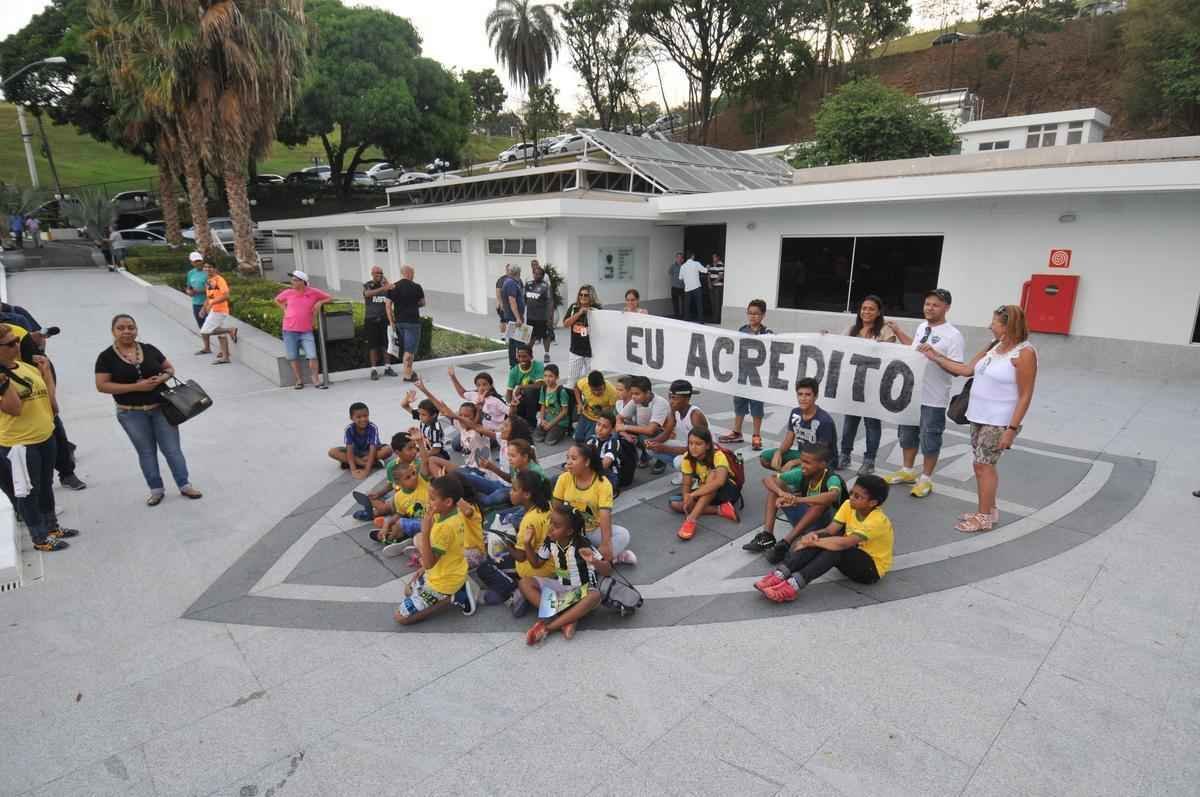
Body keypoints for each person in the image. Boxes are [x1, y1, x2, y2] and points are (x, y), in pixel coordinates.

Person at [921, 304, 1038, 532]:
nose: (989, 326)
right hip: (978, 415)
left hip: (999, 421)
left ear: (1008, 326)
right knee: (980, 465)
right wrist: (936, 357)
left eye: (994, 323)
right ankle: (989, 510)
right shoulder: (994, 345)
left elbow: (1026, 395)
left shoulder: (1024, 353)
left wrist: (1011, 429)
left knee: (984, 466)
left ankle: (983, 517)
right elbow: (967, 370)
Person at [94, 314, 202, 506]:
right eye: (121, 328)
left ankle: (185, 485)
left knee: (172, 450)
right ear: (113, 331)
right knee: (146, 452)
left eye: (131, 327)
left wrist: (162, 378)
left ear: (136, 329)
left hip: (161, 409)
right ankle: (156, 490)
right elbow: (102, 385)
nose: (127, 331)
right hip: (130, 413)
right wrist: (136, 387)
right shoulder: (106, 357)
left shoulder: (149, 349)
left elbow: (169, 369)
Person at [756, 475, 893, 602]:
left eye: (857, 496)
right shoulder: (848, 505)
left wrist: (813, 543)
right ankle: (780, 574)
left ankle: (792, 586)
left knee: (835, 549)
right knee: (820, 537)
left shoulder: (877, 521)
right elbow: (830, 530)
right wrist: (811, 536)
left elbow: (844, 544)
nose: (851, 497)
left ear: (872, 502)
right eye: (852, 492)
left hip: (870, 570)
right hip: (851, 554)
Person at [883, 288, 965, 498]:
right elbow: (914, 348)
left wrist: (936, 356)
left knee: (930, 437)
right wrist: (898, 331)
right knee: (906, 434)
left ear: (946, 308)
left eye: (936, 305)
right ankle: (908, 470)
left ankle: (926, 478)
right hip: (911, 394)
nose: (930, 308)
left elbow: (957, 369)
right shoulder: (922, 327)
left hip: (934, 397)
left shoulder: (953, 335)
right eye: (927, 303)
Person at [0, 324, 76, 551]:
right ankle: (39, 537)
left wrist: (46, 373)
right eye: (10, 343)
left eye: (16, 341)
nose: (17, 346)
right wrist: (4, 383)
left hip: (44, 436)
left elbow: (51, 404)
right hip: (20, 444)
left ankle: (52, 527)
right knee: (28, 492)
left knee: (45, 485)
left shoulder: (26, 368)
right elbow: (14, 409)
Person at [519, 502, 611, 645]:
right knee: (524, 582)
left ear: (569, 531)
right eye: (550, 522)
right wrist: (527, 544)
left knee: (595, 595)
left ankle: (549, 627)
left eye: (556, 526)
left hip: (581, 592)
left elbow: (607, 570)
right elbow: (536, 563)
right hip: (561, 587)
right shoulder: (551, 541)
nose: (550, 528)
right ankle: (566, 619)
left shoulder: (582, 544)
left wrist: (593, 560)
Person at [393, 475, 478, 625]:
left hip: (443, 582)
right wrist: (423, 569)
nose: (428, 502)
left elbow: (428, 564)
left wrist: (425, 532)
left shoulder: (444, 528)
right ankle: (456, 588)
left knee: (400, 618)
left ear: (448, 502)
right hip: (449, 571)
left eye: (432, 499)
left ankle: (454, 597)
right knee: (408, 590)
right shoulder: (454, 512)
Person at [743, 444, 845, 560]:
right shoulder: (802, 472)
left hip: (826, 526)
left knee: (820, 503)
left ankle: (785, 543)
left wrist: (798, 500)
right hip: (806, 520)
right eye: (802, 461)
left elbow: (833, 495)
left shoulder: (832, 478)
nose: (803, 465)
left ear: (822, 464)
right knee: (776, 488)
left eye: (807, 463)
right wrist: (782, 493)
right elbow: (768, 479)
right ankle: (767, 536)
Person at [838, 295, 897, 476]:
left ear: (878, 312)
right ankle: (844, 455)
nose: (866, 312)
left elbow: (892, 351)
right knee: (850, 423)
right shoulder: (851, 329)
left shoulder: (885, 331)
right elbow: (837, 346)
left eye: (871, 309)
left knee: (872, 424)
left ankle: (869, 461)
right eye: (864, 308)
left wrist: (882, 345)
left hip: (874, 387)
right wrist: (824, 337)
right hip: (854, 385)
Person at [552, 443, 637, 565]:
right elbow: (556, 508)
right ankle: (609, 559)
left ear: (587, 462)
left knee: (623, 534)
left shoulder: (603, 484)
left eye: (574, 459)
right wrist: (561, 532)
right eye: (567, 458)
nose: (568, 462)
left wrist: (606, 543)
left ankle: (594, 560)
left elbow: (605, 515)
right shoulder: (564, 478)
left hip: (592, 530)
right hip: (570, 530)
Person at [670, 428, 742, 540]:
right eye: (690, 443)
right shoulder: (687, 458)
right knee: (675, 503)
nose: (693, 447)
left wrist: (693, 495)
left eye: (698, 444)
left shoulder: (718, 455)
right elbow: (686, 484)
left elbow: (719, 482)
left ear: (707, 445)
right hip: (706, 492)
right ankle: (719, 509)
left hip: (727, 491)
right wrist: (686, 497)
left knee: (713, 475)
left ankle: (691, 520)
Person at [720, 300, 772, 450]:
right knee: (739, 403)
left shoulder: (768, 333)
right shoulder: (742, 330)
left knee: (757, 406)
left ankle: (756, 435)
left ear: (763, 315)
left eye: (756, 314)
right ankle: (737, 432)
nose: (752, 316)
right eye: (750, 313)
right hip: (742, 374)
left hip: (757, 377)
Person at [760, 378, 837, 473]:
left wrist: (793, 462)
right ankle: (790, 476)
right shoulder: (795, 413)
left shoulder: (824, 420)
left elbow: (821, 455)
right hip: (802, 455)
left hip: (821, 462)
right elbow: (788, 440)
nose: (803, 398)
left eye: (808, 395)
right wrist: (778, 452)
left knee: (788, 475)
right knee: (765, 458)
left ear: (816, 396)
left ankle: (796, 478)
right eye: (800, 394)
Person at [274, 270, 331, 389]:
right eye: (292, 280)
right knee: (293, 356)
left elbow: (329, 298)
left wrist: (319, 302)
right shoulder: (288, 292)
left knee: (312, 355)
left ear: (302, 282)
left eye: (295, 280)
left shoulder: (313, 292)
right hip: (289, 330)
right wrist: (284, 309)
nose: (292, 282)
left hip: (306, 331)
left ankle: (315, 379)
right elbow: (277, 300)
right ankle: (299, 380)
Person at [647, 379, 708, 480]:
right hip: (690, 445)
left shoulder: (695, 415)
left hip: (705, 453)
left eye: (675, 398)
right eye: (670, 397)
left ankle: (696, 475)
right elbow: (666, 433)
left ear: (687, 399)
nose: (671, 402)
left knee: (678, 461)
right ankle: (686, 471)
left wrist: (665, 449)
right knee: (651, 449)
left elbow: (700, 448)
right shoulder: (674, 410)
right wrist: (651, 442)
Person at [616, 375, 669, 467]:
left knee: (645, 438)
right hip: (643, 430)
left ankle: (662, 458)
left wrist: (624, 427)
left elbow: (651, 430)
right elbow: (619, 417)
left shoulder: (660, 403)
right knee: (616, 434)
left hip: (662, 433)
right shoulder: (636, 400)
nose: (633, 397)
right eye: (632, 393)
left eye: (637, 394)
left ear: (648, 393)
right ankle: (641, 453)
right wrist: (624, 433)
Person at [328, 401, 391, 479]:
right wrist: (353, 470)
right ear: (351, 418)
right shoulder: (349, 429)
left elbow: (373, 449)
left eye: (365, 416)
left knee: (388, 450)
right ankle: (371, 463)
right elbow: (349, 450)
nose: (363, 419)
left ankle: (355, 463)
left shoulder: (372, 427)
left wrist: (366, 470)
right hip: (356, 453)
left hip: (371, 452)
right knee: (332, 452)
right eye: (359, 417)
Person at [386, 265, 424, 381]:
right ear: (409, 273)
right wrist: (412, 304)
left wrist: (391, 322)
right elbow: (422, 303)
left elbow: (388, 305)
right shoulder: (416, 287)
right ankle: (407, 375)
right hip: (412, 322)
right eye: (413, 273)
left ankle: (409, 372)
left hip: (399, 323)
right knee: (409, 350)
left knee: (406, 349)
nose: (413, 275)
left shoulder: (393, 287)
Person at [199, 261, 239, 365]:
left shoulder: (219, 280)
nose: (207, 269)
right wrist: (203, 308)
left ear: (215, 269)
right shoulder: (209, 280)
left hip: (219, 310)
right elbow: (209, 297)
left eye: (210, 267)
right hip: (214, 310)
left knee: (205, 331)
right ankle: (226, 357)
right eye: (205, 267)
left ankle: (230, 330)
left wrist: (212, 303)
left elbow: (226, 296)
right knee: (221, 334)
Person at [362, 265, 398, 380]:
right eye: (377, 273)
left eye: (381, 273)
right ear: (372, 274)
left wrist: (387, 285)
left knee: (386, 344)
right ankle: (374, 370)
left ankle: (388, 367)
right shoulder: (368, 285)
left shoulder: (386, 286)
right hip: (371, 319)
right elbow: (367, 294)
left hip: (384, 319)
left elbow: (394, 292)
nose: (379, 275)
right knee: (373, 346)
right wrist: (383, 288)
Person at [561, 285, 599, 383]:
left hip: (592, 352)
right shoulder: (574, 307)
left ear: (591, 296)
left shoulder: (597, 309)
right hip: (576, 350)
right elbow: (566, 324)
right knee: (571, 381)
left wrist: (592, 313)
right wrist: (579, 313)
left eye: (586, 295)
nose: (583, 297)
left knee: (592, 381)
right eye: (580, 295)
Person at [573, 370, 618, 443]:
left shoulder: (612, 391)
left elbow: (611, 409)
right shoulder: (584, 383)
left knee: (589, 441)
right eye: (593, 390)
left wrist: (602, 413)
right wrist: (580, 403)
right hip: (585, 415)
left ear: (604, 384)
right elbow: (576, 387)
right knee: (578, 438)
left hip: (598, 420)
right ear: (589, 385)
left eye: (599, 389)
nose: (596, 392)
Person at [400, 392, 448, 460]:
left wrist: (420, 455)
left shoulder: (435, 429)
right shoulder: (424, 417)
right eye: (419, 413)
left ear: (434, 415)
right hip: (425, 447)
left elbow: (436, 450)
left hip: (437, 454)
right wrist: (407, 399)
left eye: (423, 415)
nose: (420, 417)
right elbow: (404, 405)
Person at [506, 344, 544, 428]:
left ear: (531, 357)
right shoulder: (514, 371)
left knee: (529, 391)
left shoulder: (538, 365)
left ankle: (531, 423)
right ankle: (522, 425)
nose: (521, 359)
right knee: (516, 402)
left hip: (540, 398)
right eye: (519, 356)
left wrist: (521, 387)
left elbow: (539, 385)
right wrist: (510, 405)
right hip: (524, 400)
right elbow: (509, 392)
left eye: (524, 356)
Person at [524, 260, 554, 363]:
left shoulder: (546, 286)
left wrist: (550, 318)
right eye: (535, 274)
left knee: (545, 336)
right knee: (530, 337)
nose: (537, 276)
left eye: (539, 274)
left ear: (542, 276)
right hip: (530, 317)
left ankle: (547, 354)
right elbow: (524, 299)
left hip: (542, 317)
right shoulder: (528, 284)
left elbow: (550, 302)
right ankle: (529, 354)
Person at [535, 364, 571, 444]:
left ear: (557, 377)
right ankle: (549, 430)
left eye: (551, 376)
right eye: (545, 376)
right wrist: (542, 420)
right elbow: (542, 406)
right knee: (537, 437)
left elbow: (564, 412)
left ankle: (563, 431)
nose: (547, 379)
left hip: (560, 422)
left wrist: (551, 424)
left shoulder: (561, 391)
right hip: (548, 419)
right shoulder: (544, 388)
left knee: (549, 441)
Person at [499, 264, 526, 367]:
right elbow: (512, 301)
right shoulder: (511, 283)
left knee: (513, 342)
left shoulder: (510, 282)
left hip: (512, 316)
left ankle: (514, 364)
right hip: (514, 317)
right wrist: (518, 318)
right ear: (517, 273)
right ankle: (519, 363)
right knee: (519, 342)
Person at [679, 252, 707, 322]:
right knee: (699, 304)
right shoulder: (696, 263)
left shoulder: (683, 266)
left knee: (687, 305)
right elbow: (705, 271)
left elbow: (680, 278)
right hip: (696, 287)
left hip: (687, 288)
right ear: (692, 256)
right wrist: (708, 267)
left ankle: (686, 320)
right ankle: (700, 320)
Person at [185, 253, 210, 331]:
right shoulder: (190, 273)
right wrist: (189, 292)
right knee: (202, 328)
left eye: (199, 260)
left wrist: (199, 291)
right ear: (191, 262)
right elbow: (188, 287)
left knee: (210, 327)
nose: (198, 263)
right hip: (196, 304)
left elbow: (214, 290)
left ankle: (228, 330)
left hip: (209, 304)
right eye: (195, 261)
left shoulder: (208, 272)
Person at [706, 253, 725, 323]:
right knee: (712, 303)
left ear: (718, 258)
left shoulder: (721, 265)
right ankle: (714, 317)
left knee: (717, 303)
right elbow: (708, 275)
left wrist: (712, 283)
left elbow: (720, 276)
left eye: (715, 257)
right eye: (713, 257)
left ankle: (717, 319)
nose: (713, 259)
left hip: (718, 287)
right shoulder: (710, 265)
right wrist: (709, 283)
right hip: (712, 287)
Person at [668, 253, 685, 318]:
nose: (679, 259)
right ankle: (676, 316)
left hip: (683, 287)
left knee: (684, 303)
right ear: (676, 258)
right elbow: (670, 273)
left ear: (682, 259)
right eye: (678, 257)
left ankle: (683, 316)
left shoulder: (685, 266)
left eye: (680, 257)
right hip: (675, 287)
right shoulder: (673, 266)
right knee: (675, 303)